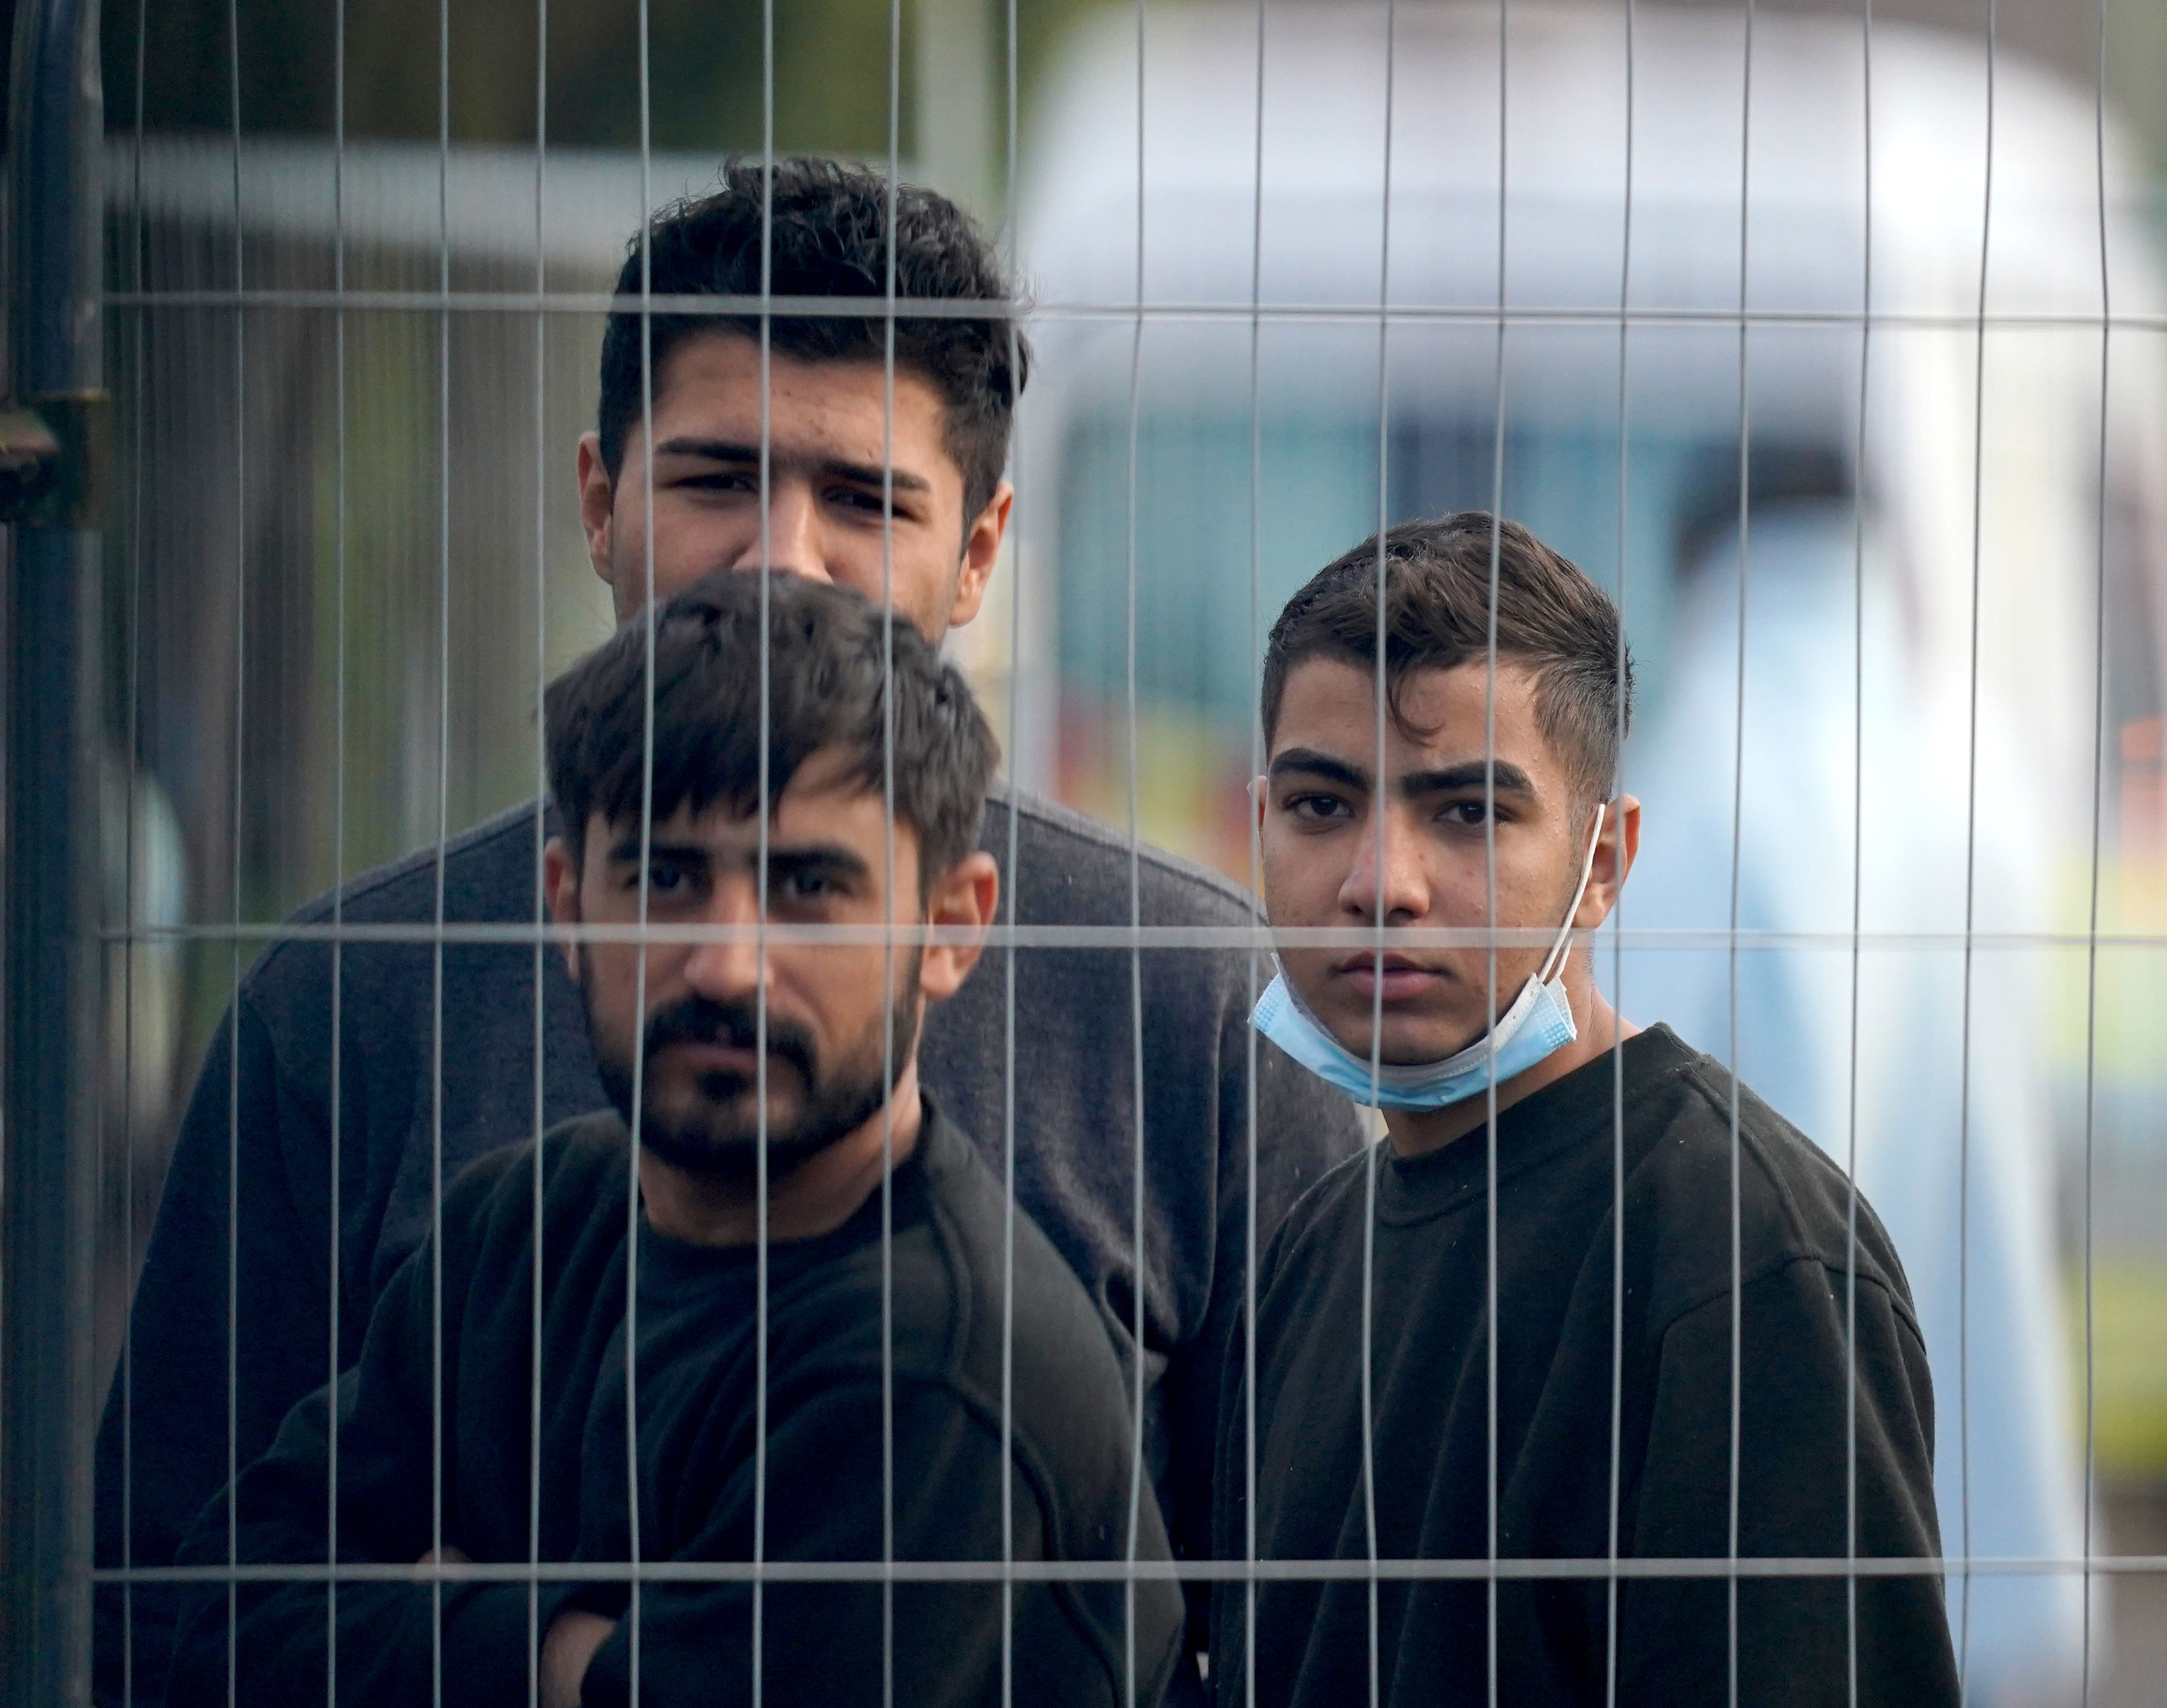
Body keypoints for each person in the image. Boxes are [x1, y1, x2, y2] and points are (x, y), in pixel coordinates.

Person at [102, 157, 1361, 1704]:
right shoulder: (352, 1009)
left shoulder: (1201, 1007)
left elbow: (1330, 1631)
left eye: (861, 499)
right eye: (716, 479)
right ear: (598, 503)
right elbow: (174, 1607)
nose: (782, 556)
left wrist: (457, 1624)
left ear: (977, 551)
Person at [167, 570, 1184, 1708]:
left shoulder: (948, 1365)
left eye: (807, 887)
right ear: (566, 905)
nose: (724, 966)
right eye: (663, 878)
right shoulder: (523, 1228)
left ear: (947, 929)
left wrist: (431, 1614)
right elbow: (219, 1615)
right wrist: (577, 1659)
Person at [1211, 514, 1959, 1706]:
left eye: (1466, 813)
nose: (1377, 884)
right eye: (1319, 806)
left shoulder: (1742, 1255)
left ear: (1604, 861)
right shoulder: (1313, 1247)